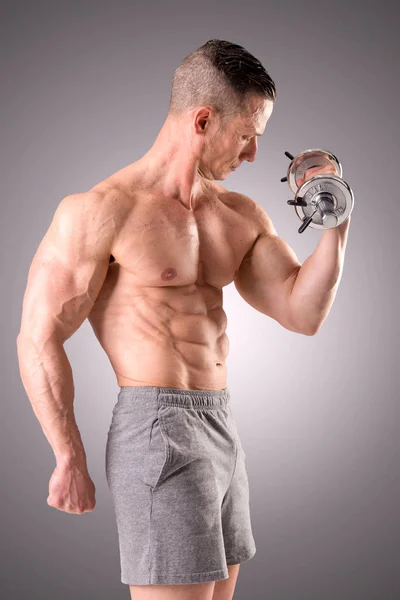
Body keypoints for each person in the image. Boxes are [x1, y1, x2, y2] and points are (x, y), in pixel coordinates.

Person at [16, 39, 351, 600]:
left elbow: (303, 311)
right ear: (203, 120)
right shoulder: (102, 212)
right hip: (156, 429)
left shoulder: (239, 215)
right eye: (247, 137)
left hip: (221, 425)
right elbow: (38, 335)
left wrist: (334, 219)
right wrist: (66, 454)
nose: (250, 156)